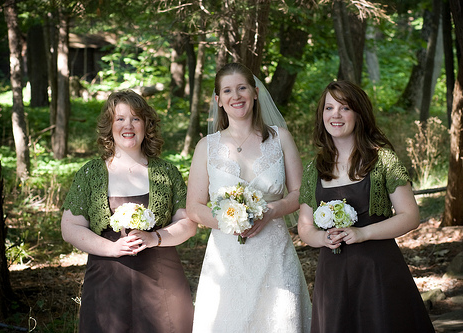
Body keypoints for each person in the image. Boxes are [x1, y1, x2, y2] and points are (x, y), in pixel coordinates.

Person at [298, 80, 435, 333]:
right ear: (322, 116)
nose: (335, 115)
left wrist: (364, 233)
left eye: (345, 108)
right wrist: (321, 237)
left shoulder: (383, 160)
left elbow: (410, 215)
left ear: (359, 113)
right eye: (329, 108)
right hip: (333, 277)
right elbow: (304, 226)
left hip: (378, 271)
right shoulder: (313, 169)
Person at [187, 63, 312, 332]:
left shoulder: (281, 138)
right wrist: (230, 221)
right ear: (219, 100)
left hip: (274, 252)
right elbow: (194, 207)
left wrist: (272, 210)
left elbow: (300, 193)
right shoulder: (206, 147)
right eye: (228, 90)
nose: (236, 96)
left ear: (255, 93)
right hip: (226, 258)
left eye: (242, 88)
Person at [61, 90, 196, 333]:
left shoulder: (166, 172)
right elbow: (70, 227)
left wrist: (155, 238)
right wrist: (111, 248)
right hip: (107, 281)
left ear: (146, 125)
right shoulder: (91, 173)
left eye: (136, 118)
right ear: (109, 126)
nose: (128, 125)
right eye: (120, 118)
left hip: (161, 280)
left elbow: (188, 224)